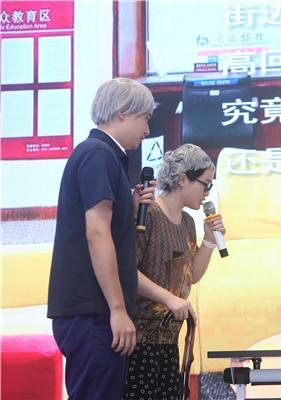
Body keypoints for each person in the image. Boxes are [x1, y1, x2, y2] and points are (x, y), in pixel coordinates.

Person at [47, 77, 156, 399]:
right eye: (145, 118)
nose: (147, 130)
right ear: (122, 113)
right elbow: (96, 233)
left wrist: (129, 207)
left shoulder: (102, 155)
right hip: (94, 312)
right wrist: (118, 309)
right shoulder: (99, 155)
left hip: (92, 312)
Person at [122, 143, 226, 400]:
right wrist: (169, 299)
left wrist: (209, 241)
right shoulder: (148, 214)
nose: (207, 192)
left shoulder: (188, 223)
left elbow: (191, 276)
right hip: (137, 343)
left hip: (170, 342)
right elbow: (126, 272)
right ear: (182, 179)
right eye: (205, 184)